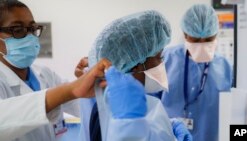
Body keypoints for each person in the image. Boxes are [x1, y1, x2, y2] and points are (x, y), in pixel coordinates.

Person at [0, 0, 111, 140]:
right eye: (17, 30)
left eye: (33, 29)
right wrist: (69, 90)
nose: (29, 37)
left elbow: (80, 105)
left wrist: (90, 81)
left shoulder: (44, 74)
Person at [77, 10, 192, 141]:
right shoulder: (128, 114)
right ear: (137, 63)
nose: (163, 63)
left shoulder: (106, 101)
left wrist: (169, 126)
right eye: (159, 57)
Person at [161, 4, 232, 141]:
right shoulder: (164, 60)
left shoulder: (226, 67)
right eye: (196, 40)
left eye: (208, 40)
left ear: (216, 35)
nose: (202, 44)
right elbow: (150, 103)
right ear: (185, 34)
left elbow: (235, 111)